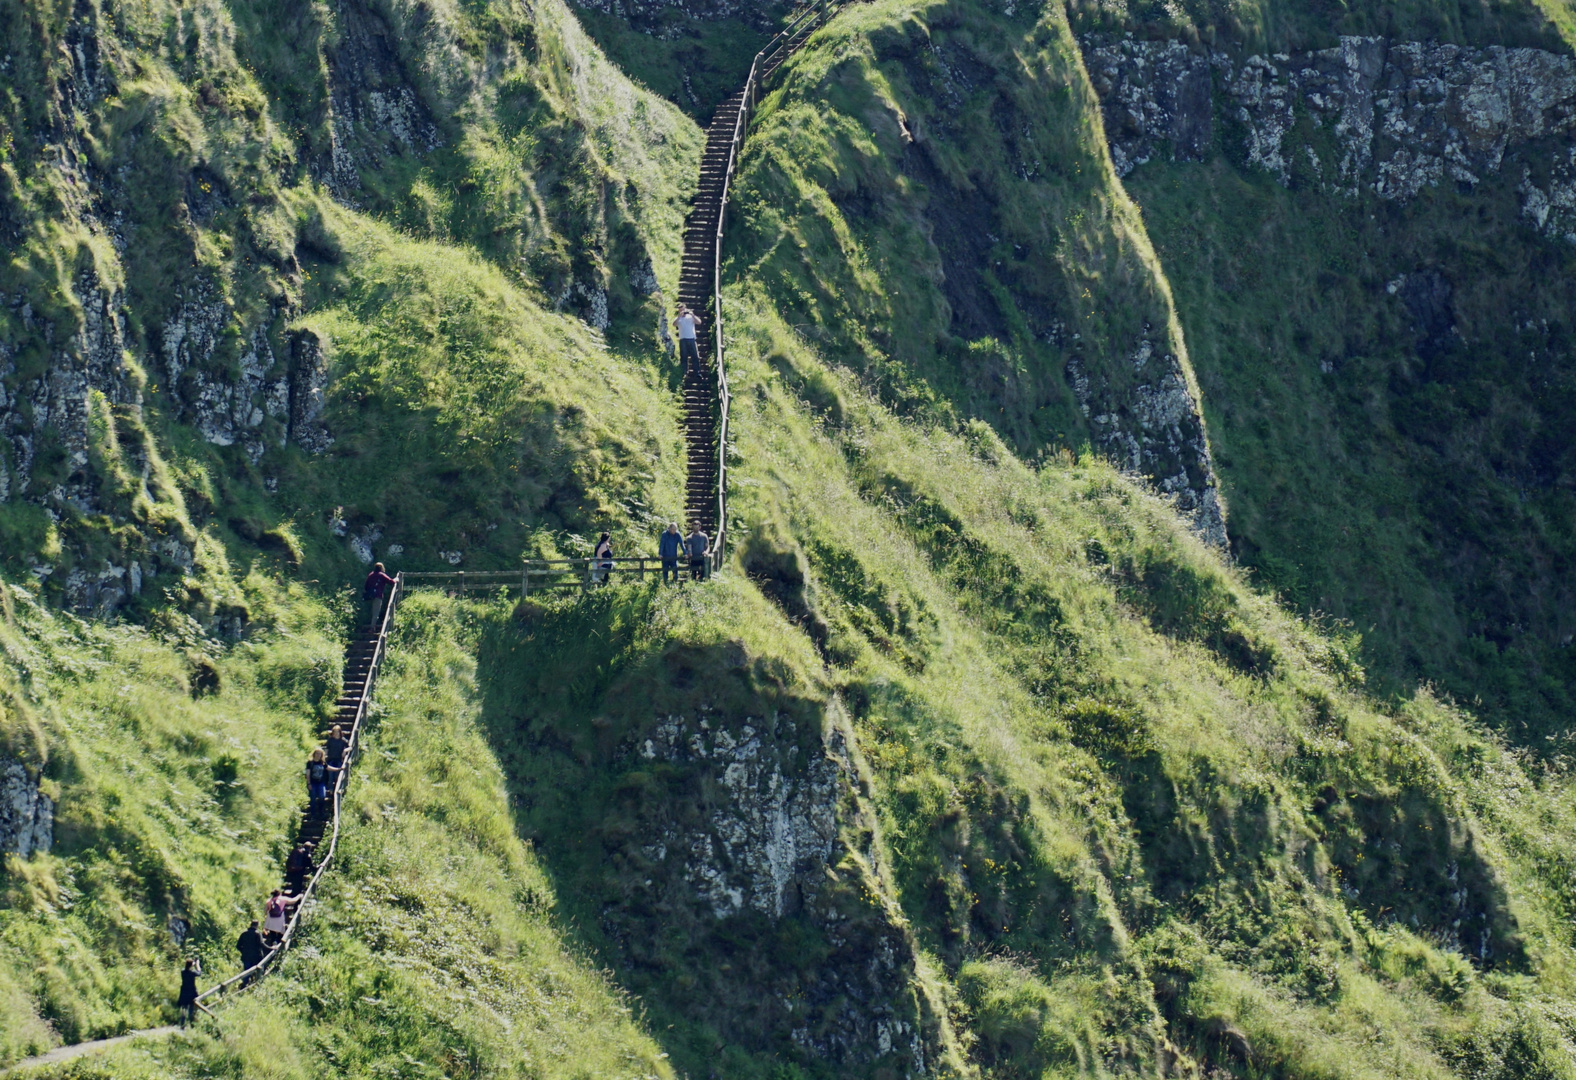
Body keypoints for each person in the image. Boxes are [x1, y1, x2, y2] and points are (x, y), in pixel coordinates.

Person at [176, 958, 207, 1027]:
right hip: (191, 992)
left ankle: (182, 1024)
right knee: (191, 1009)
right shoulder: (192, 973)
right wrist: (197, 964)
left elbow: (187, 969)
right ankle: (191, 1024)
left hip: (184, 992)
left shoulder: (183, 972)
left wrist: (192, 963)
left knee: (184, 1008)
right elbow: (199, 972)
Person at [362, 562, 394, 626]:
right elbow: (391, 582)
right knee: (375, 613)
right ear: (382, 568)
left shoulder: (371, 574)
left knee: (370, 611)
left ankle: (366, 623)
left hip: (369, 596)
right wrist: (396, 579)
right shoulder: (382, 575)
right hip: (378, 596)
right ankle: (372, 628)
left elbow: (366, 586)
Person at [674, 305, 701, 376]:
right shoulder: (678, 319)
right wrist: (679, 316)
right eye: (680, 310)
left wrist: (692, 315)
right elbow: (674, 324)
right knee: (683, 356)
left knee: (695, 356)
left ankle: (697, 372)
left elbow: (699, 322)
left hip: (691, 338)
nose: (682, 312)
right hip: (683, 339)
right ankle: (684, 372)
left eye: (683, 310)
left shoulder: (690, 317)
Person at [237, 920, 266, 986]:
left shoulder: (244, 933)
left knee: (246, 972)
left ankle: (244, 985)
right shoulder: (257, 933)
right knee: (259, 970)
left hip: (246, 956)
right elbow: (262, 944)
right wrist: (271, 948)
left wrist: (243, 951)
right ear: (257, 925)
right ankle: (257, 983)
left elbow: (238, 946)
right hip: (256, 957)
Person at [305, 747, 333, 818]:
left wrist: (339, 769)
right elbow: (307, 774)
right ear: (314, 754)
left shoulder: (322, 762)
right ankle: (313, 814)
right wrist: (309, 783)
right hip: (312, 783)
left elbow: (328, 767)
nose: (318, 755)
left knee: (322, 796)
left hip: (321, 783)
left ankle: (321, 812)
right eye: (317, 753)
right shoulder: (310, 763)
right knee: (313, 798)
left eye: (320, 754)